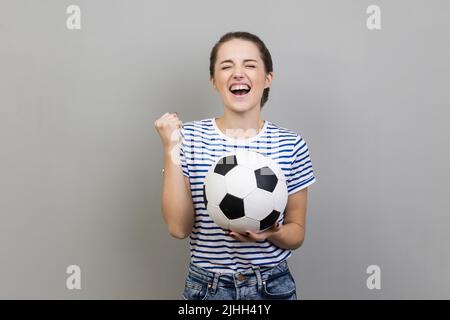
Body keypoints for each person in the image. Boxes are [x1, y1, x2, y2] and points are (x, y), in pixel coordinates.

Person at [154, 31, 316, 300]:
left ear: (267, 79)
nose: (238, 73)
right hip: (207, 287)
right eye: (226, 66)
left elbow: (296, 233)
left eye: (250, 65)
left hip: (271, 285)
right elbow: (178, 228)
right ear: (214, 81)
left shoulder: (291, 144)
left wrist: (269, 234)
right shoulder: (188, 138)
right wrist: (171, 148)